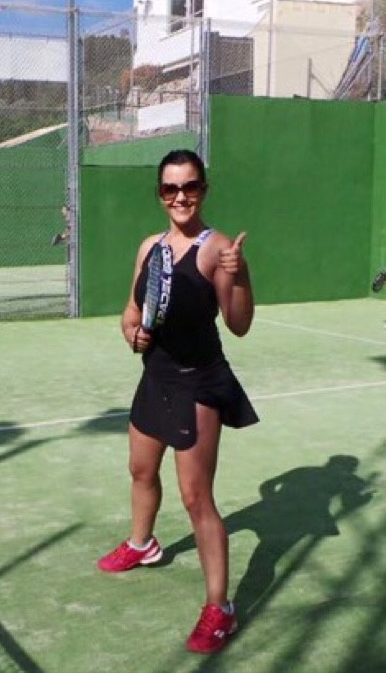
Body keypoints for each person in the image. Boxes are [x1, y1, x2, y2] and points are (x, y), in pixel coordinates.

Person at [97, 149, 259, 655]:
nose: (181, 196)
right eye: (171, 188)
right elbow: (130, 313)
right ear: (160, 194)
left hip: (198, 382)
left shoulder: (217, 249)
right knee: (141, 470)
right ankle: (142, 544)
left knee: (195, 497)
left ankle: (220, 608)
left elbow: (239, 324)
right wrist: (133, 335)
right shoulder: (150, 247)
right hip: (157, 377)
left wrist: (240, 274)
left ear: (203, 190)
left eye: (190, 186)